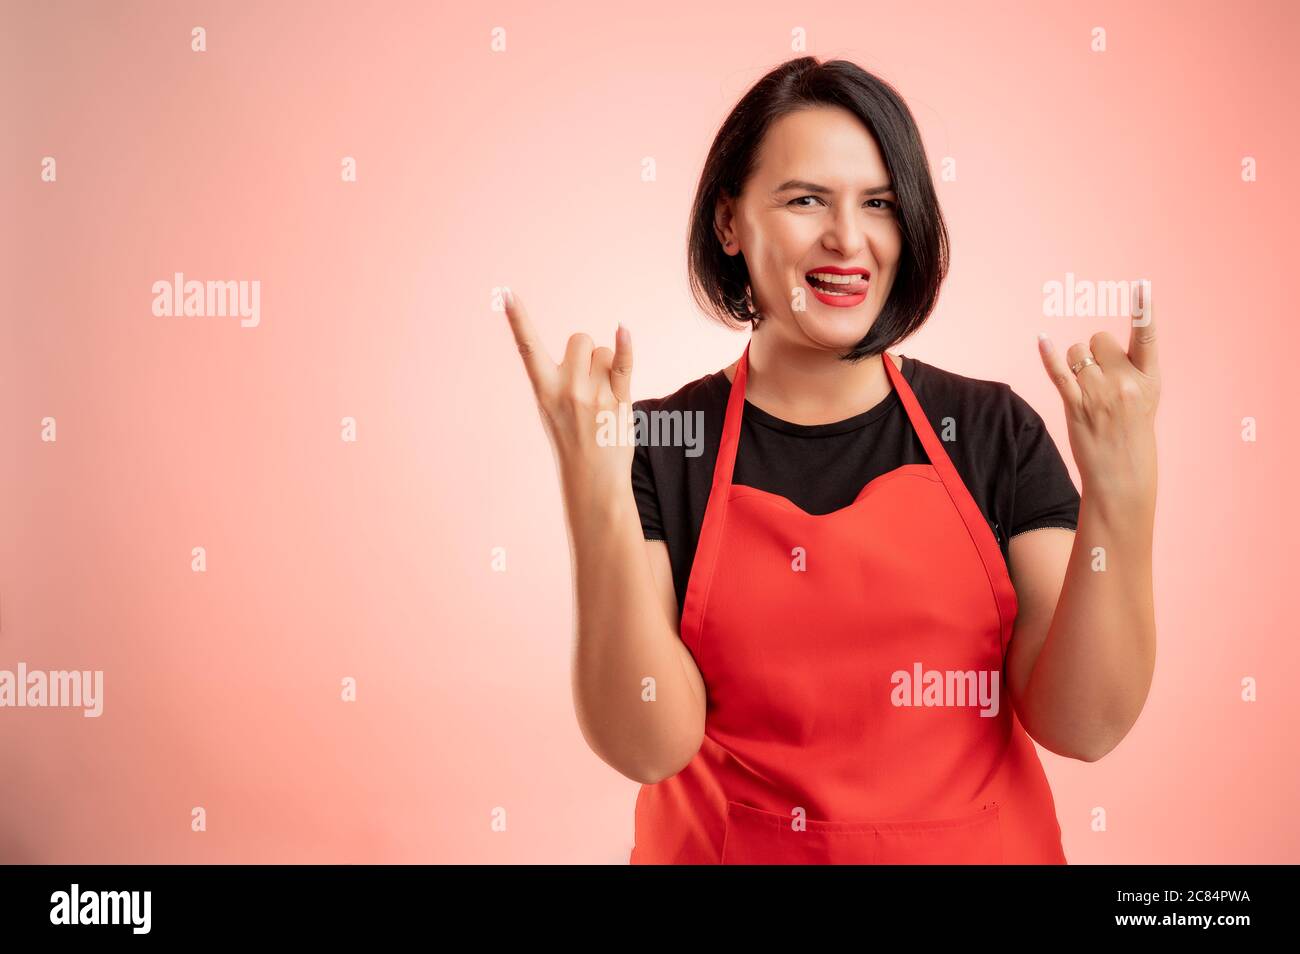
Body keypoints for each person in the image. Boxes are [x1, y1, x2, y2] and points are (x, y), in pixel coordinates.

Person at [501, 56, 1159, 864]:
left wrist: (1123, 494)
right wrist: (591, 493)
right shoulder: (662, 448)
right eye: (805, 198)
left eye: (878, 202)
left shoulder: (992, 431)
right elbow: (647, 745)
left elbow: (1083, 725)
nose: (848, 238)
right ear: (728, 223)